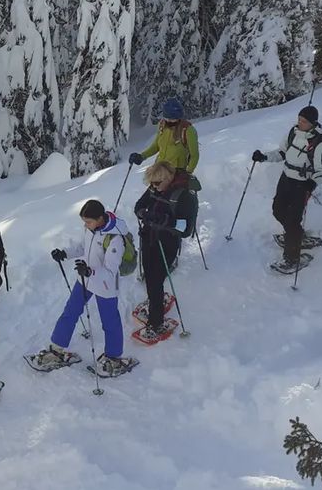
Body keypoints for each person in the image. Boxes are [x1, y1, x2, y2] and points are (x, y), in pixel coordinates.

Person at [30, 200, 137, 375]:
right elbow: (82, 248)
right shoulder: (90, 229)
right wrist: (65, 253)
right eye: (84, 222)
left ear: (100, 218)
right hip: (85, 280)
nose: (85, 225)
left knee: (110, 322)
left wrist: (89, 272)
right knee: (70, 311)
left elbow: (110, 271)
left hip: (105, 285)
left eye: (88, 221)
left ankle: (113, 357)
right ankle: (57, 348)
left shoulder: (115, 239)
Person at [251, 106, 322, 272]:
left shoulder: (319, 143)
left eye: (303, 121)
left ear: (312, 123)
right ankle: (296, 236)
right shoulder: (293, 133)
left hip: (302, 184)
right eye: (299, 119)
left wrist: (312, 183)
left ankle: (292, 258)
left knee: (293, 220)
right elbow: (282, 152)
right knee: (277, 210)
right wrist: (264, 157)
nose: (299, 123)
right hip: (286, 179)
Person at [132, 161, 198, 341]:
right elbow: (139, 205)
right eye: (151, 184)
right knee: (150, 276)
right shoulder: (155, 187)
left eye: (157, 183)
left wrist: (163, 221)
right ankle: (155, 302)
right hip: (149, 238)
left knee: (155, 280)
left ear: (168, 178)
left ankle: (156, 322)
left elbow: (186, 229)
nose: (153, 187)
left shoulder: (184, 196)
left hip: (167, 244)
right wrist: (143, 213)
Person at [128, 97, 199, 180]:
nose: (169, 121)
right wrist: (142, 156)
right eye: (167, 118)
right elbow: (156, 146)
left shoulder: (187, 130)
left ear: (179, 117)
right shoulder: (162, 126)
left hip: (176, 173)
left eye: (172, 119)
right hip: (159, 171)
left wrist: (187, 173)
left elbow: (195, 155)